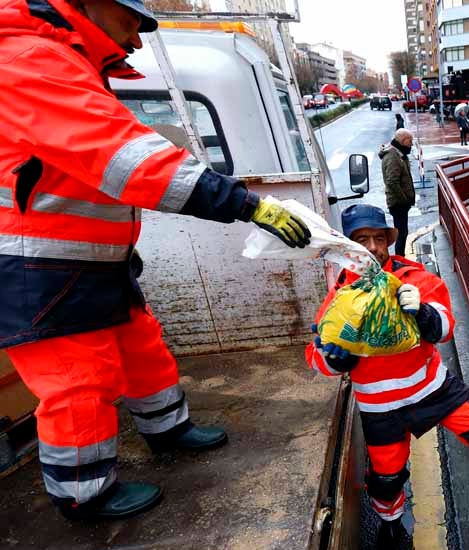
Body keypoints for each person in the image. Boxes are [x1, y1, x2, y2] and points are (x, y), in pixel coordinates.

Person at [0, 0, 312, 520]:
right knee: (79, 379)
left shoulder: (58, 60)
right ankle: (84, 492)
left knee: (141, 347)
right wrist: (245, 203)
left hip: (87, 258)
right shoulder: (31, 60)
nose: (138, 40)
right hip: (41, 267)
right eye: (133, 21)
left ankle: (168, 428)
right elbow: (128, 159)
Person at [307, 205, 469, 550]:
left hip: (433, 390)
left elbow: (446, 326)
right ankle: (391, 523)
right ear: (349, 248)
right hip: (381, 410)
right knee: (386, 477)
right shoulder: (339, 300)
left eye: (379, 238)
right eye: (362, 240)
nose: (373, 247)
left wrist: (422, 312)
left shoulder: (413, 277)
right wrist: (333, 359)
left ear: (389, 242)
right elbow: (316, 356)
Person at [378, 128, 415, 256]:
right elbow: (392, 182)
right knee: (402, 232)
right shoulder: (393, 156)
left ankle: (400, 256)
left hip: (400, 202)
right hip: (398, 203)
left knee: (402, 231)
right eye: (410, 141)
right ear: (404, 141)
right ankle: (400, 258)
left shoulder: (398, 153)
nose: (412, 144)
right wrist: (404, 199)